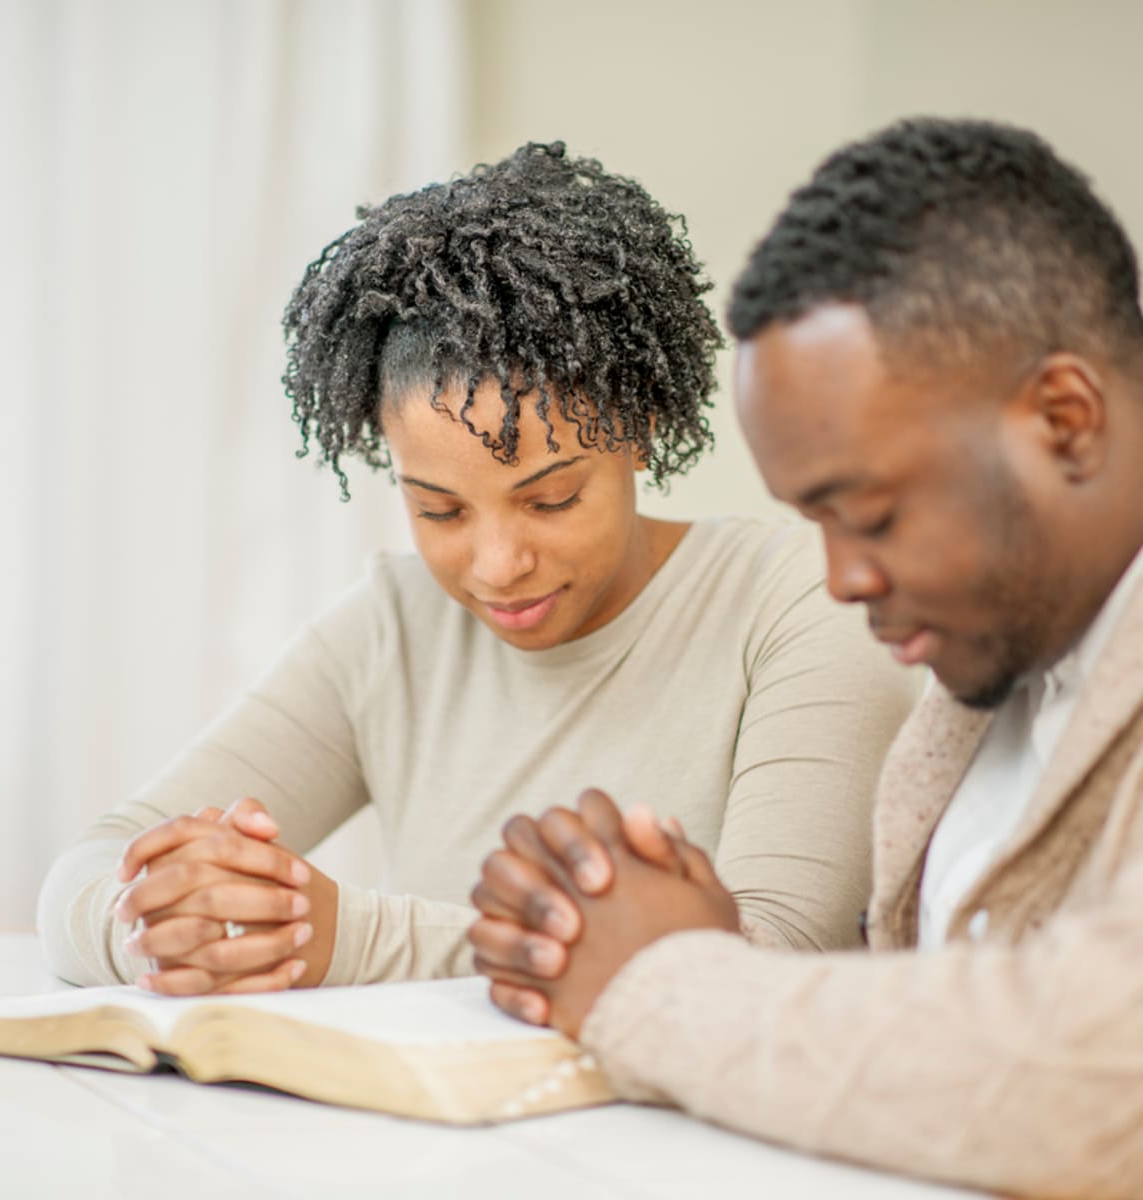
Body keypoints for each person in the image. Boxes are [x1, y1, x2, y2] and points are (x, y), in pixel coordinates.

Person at [36, 142, 916, 997]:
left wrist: (353, 940)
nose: (498, 567)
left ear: (640, 427)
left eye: (551, 499)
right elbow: (91, 864)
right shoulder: (394, 627)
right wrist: (156, 924)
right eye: (440, 511)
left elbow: (770, 958)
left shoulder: (799, 602)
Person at [469, 118, 1143, 1199]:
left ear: (1065, 419)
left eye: (870, 513)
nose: (840, 578)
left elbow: (1099, 1076)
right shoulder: (982, 685)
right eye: (811, 522)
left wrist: (663, 979)